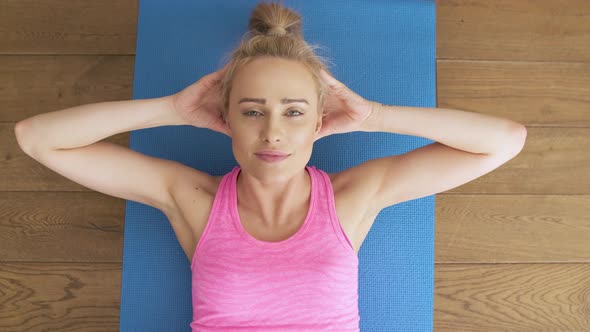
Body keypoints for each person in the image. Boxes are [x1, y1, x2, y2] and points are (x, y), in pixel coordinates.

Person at [14, 1, 526, 330]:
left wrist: (374, 116)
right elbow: (37, 138)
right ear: (226, 119)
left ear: (319, 120)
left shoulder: (353, 197)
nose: (273, 132)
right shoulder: (192, 199)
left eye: (294, 112)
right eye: (253, 111)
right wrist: (171, 109)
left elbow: (504, 141)